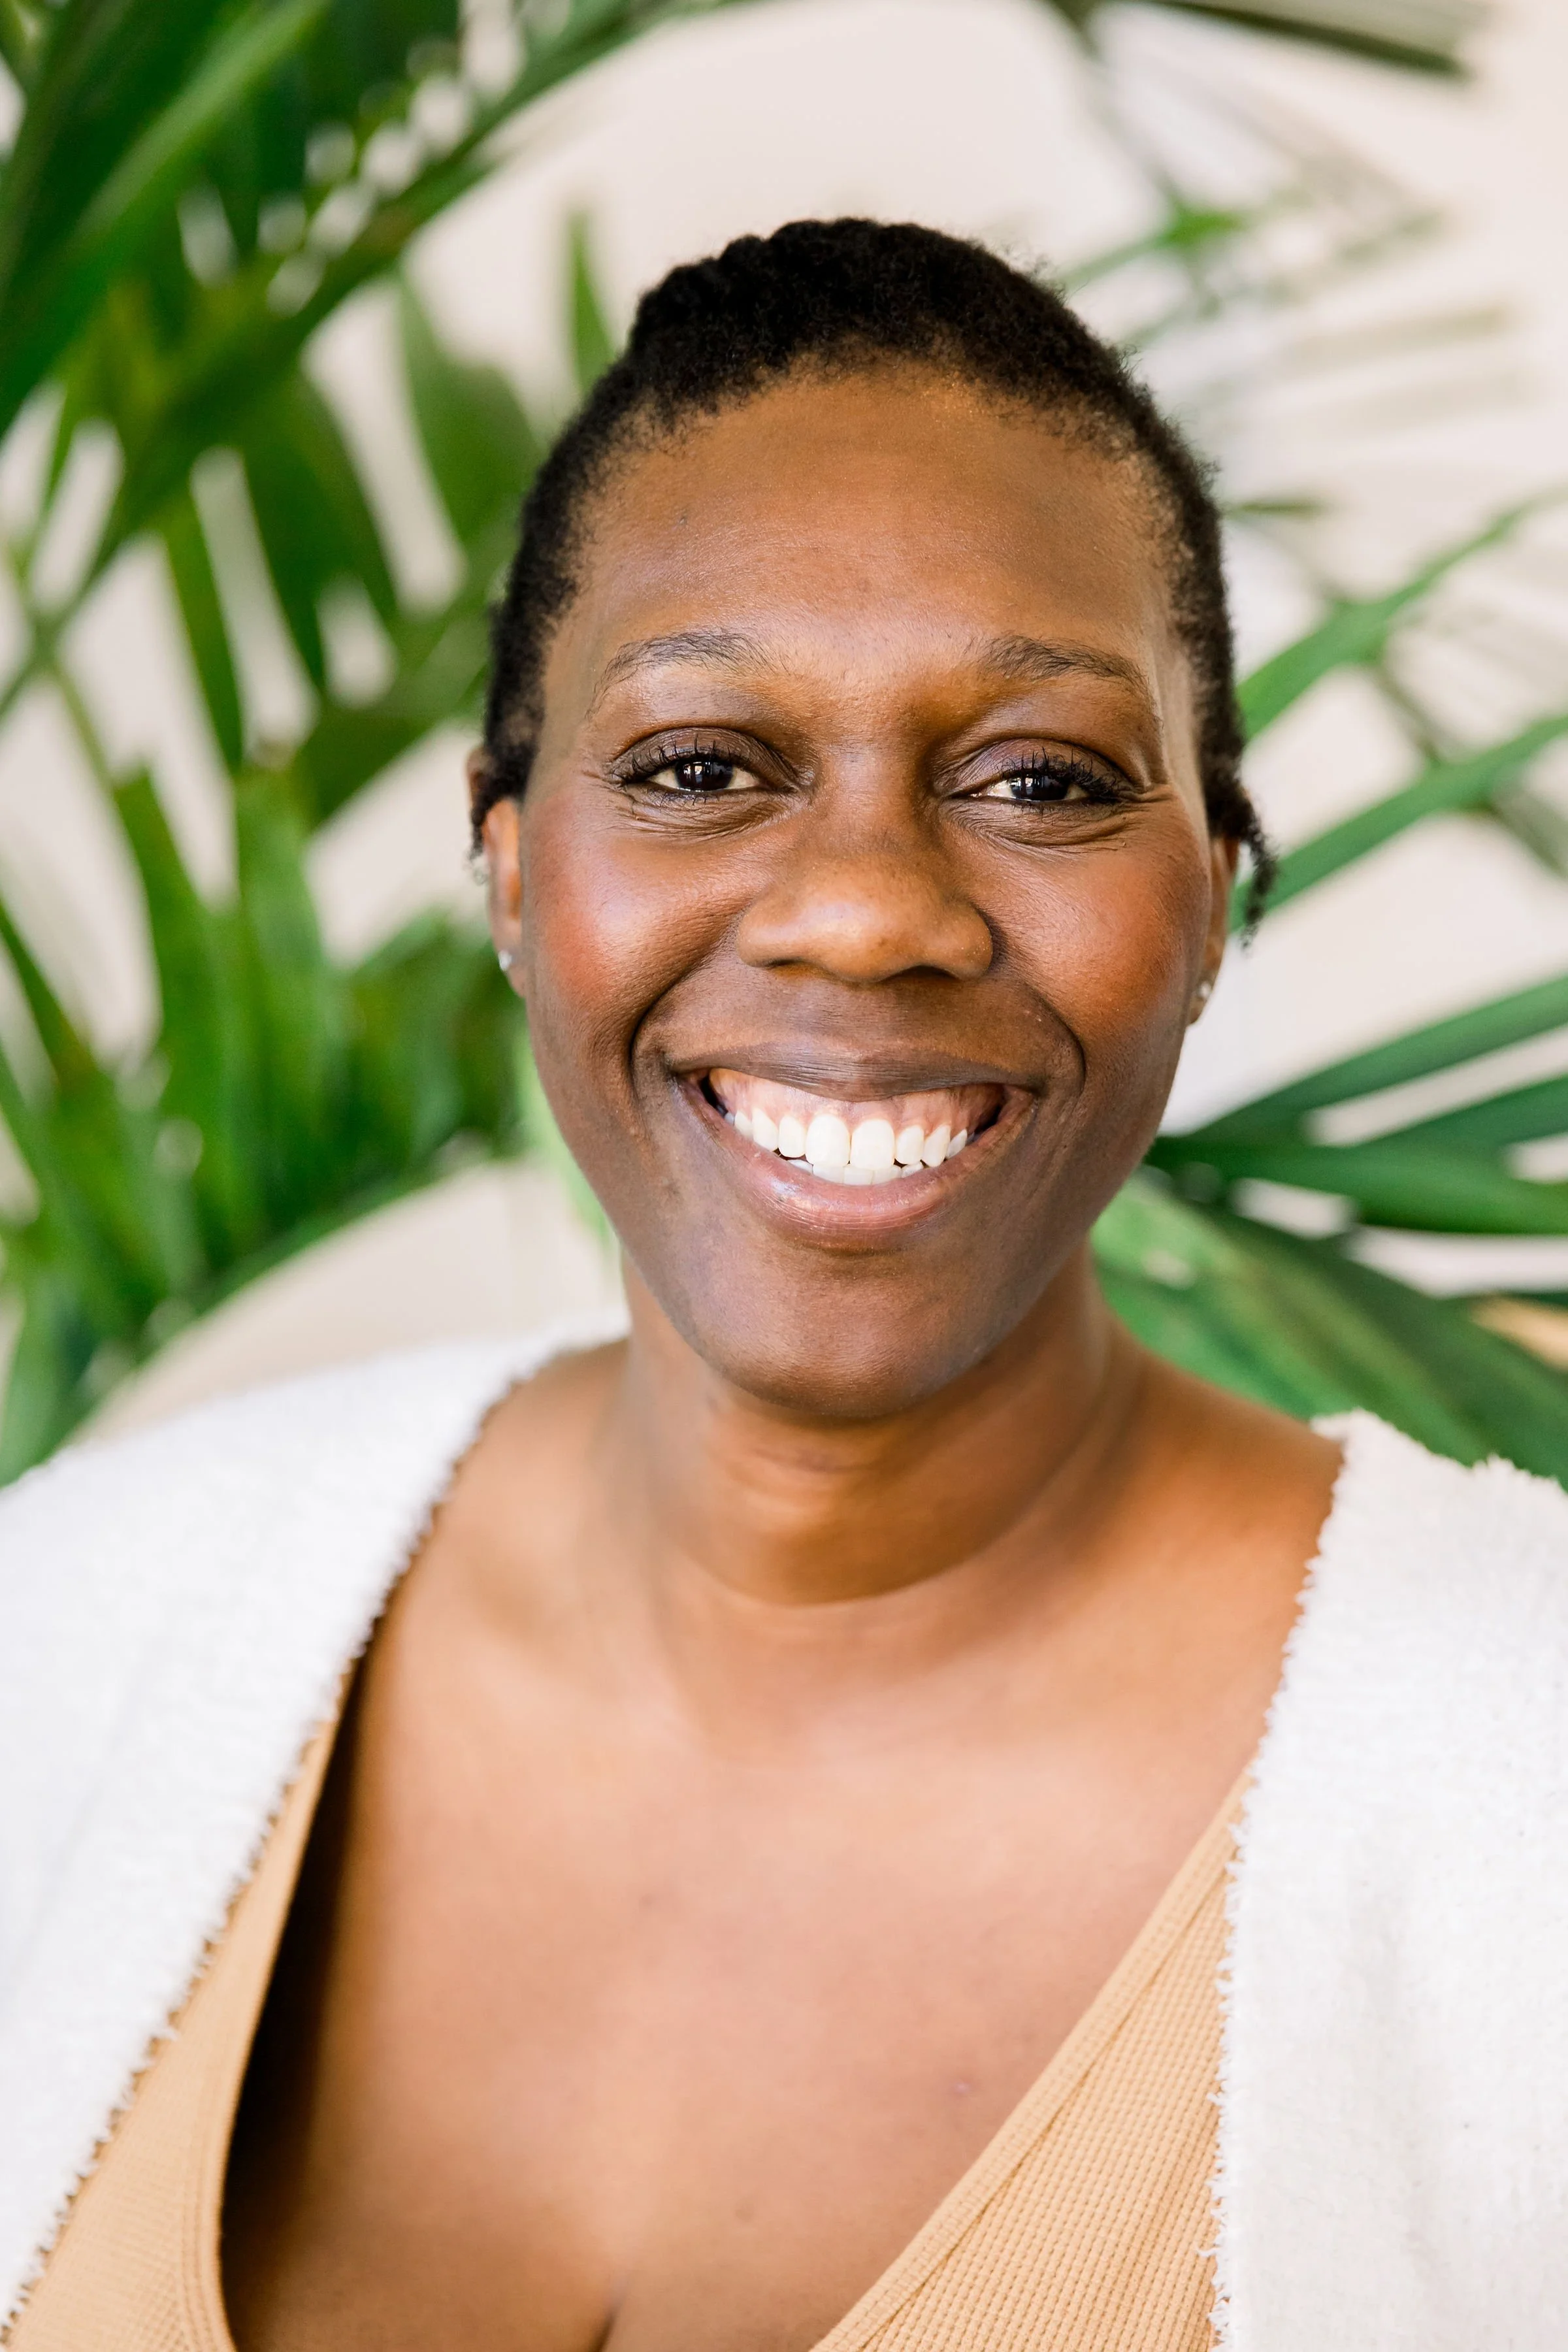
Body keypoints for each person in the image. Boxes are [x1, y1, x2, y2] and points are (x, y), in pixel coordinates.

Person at [1, 220, 1565, 2352]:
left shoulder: (1522, 1784)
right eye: (700, 767)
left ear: (1212, 905)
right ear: (510, 863)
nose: (858, 915)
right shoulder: (77, 1633)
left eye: (1039, 780)